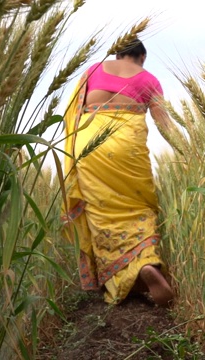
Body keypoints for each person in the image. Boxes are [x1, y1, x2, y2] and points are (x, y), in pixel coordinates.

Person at [61, 38, 180, 307]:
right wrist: (193, 149)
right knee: (140, 209)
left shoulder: (92, 71)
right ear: (141, 57)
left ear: (118, 52)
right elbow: (165, 125)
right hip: (129, 152)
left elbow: (72, 116)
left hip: (90, 149)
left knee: (102, 215)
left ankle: (124, 278)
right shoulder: (149, 79)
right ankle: (146, 262)